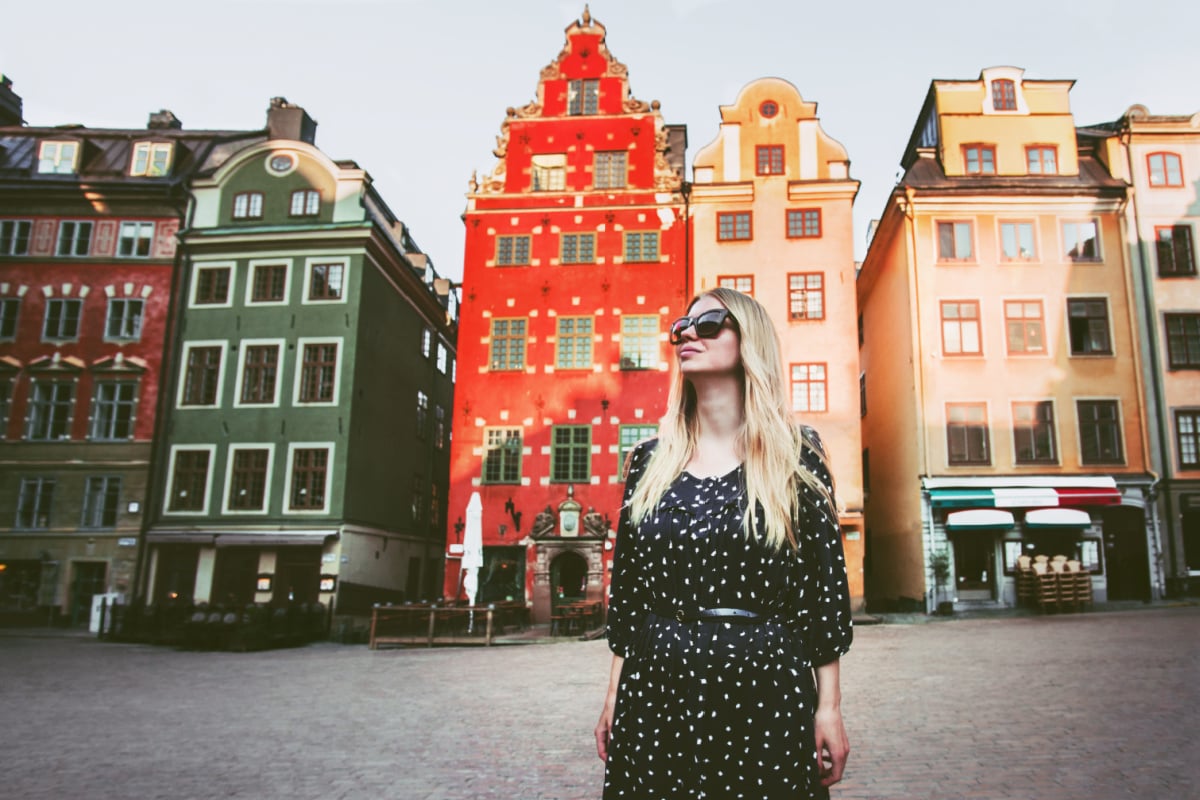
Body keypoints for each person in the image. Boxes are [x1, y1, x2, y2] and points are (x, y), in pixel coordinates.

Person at [594, 288, 853, 799]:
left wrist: (830, 707)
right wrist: (612, 697)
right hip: (657, 686)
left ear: (749, 339)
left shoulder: (797, 456)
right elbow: (629, 599)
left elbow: (821, 596)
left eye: (710, 322)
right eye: (681, 326)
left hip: (765, 686)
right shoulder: (649, 463)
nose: (688, 332)